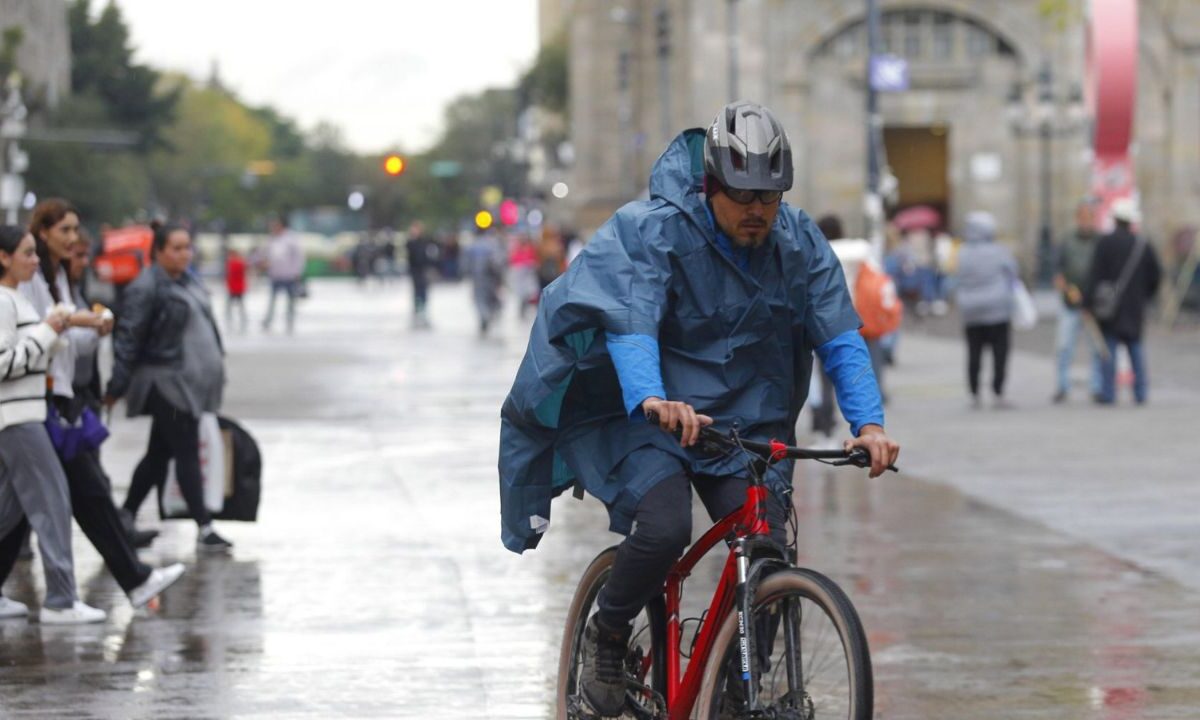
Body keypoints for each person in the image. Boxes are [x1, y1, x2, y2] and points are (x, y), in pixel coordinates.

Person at [498, 102, 900, 716]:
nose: (757, 210)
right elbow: (632, 318)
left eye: (770, 196)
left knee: (767, 547)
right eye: (741, 195)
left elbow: (840, 337)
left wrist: (868, 424)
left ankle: (740, 688)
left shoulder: (798, 241)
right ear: (711, 185)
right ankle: (608, 634)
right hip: (651, 416)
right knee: (664, 527)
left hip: (744, 426)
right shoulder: (655, 230)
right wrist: (652, 398)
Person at [24, 201, 185, 607]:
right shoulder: (29, 280)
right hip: (35, 403)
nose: (74, 239)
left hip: (55, 399)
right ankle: (107, 587)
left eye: (76, 230)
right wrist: (80, 325)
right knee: (81, 492)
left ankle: (127, 581)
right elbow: (37, 335)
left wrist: (93, 328)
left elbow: (60, 338)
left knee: (23, 506)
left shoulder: (55, 275)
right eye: (65, 230)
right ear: (43, 233)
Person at [0, 224, 107, 624]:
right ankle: (61, 600)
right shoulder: (4, 300)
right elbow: (4, 362)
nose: (34, 260)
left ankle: (62, 598)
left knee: (11, 508)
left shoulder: (15, 299)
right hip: (17, 416)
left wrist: (55, 331)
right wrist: (49, 332)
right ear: (3, 257)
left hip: (23, 414)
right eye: (26, 253)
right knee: (52, 499)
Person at [105, 223, 234, 553]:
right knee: (185, 451)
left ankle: (126, 515)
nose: (183, 254)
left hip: (187, 384)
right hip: (165, 383)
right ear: (158, 252)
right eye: (175, 248)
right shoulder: (146, 287)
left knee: (159, 455)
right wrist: (117, 384)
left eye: (187, 247)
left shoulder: (188, 281)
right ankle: (204, 527)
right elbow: (128, 338)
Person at [1084, 198, 1162, 405]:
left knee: (1108, 350)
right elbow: (1156, 275)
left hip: (1108, 306)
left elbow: (1094, 274)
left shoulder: (1105, 243)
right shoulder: (1142, 245)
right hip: (1134, 306)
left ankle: (1108, 393)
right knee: (1135, 349)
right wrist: (1145, 295)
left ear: (1116, 219)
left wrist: (1088, 302)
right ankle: (1140, 393)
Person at [954, 211, 1018, 409]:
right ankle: (997, 390)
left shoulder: (962, 252)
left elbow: (957, 276)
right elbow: (1013, 272)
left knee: (974, 353)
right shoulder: (999, 251)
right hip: (997, 310)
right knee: (1000, 353)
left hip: (971, 310)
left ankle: (974, 392)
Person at [1051, 200, 1103, 403]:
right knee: (1064, 346)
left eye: (1089, 217)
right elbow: (1058, 270)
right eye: (1082, 217)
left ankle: (1097, 386)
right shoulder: (1067, 240)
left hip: (1092, 304)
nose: (1085, 221)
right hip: (1070, 301)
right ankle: (1062, 386)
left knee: (1096, 347)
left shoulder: (1100, 241)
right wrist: (1066, 288)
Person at [260, 215, 304, 334]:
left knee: (290, 300)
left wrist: (297, 271)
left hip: (289, 275)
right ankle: (268, 320)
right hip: (275, 274)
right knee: (272, 300)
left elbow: (298, 257)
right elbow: (265, 254)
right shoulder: (271, 239)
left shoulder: (291, 239)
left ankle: (290, 320)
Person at [464, 230, 505, 336]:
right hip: (491, 277)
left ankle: (484, 316)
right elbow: (499, 261)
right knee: (490, 297)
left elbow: (466, 262)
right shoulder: (492, 244)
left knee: (479, 299)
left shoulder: (472, 245)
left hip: (478, 278)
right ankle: (488, 315)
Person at [406, 222, 436, 328]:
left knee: (423, 292)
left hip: (423, 270)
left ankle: (423, 311)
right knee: (417, 292)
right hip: (415, 271)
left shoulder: (424, 242)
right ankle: (417, 310)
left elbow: (429, 255)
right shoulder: (410, 242)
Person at [225, 247, 248, 334]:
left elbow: (229, 275)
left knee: (230, 303)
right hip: (239, 287)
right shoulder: (241, 263)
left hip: (233, 287)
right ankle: (242, 316)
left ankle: (229, 315)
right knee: (240, 303)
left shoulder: (231, 263)